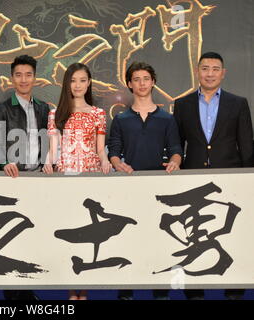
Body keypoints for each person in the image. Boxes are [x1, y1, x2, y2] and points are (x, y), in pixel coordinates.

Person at [174, 52, 253, 300]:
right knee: (194, 236)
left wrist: (247, 179)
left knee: (232, 235)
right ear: (198, 72)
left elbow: (247, 146)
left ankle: (234, 290)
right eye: (205, 68)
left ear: (223, 73)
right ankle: (195, 293)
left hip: (231, 180)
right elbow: (177, 145)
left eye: (215, 69)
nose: (210, 73)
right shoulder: (183, 104)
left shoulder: (238, 103)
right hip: (193, 179)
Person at [108, 61, 183, 300]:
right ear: (130, 84)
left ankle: (160, 292)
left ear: (153, 82)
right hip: (128, 189)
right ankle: (125, 292)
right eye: (136, 79)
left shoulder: (166, 118)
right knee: (128, 239)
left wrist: (176, 161)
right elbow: (114, 151)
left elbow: (175, 149)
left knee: (159, 241)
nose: (141, 83)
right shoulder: (121, 119)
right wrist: (117, 163)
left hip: (159, 190)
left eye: (146, 78)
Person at [43, 62, 112, 300]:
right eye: (73, 80)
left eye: (83, 80)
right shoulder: (56, 113)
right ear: (66, 84)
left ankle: (84, 290)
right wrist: (48, 162)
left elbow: (100, 149)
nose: (78, 85)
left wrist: (105, 161)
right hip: (66, 177)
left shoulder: (98, 114)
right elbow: (53, 149)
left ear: (89, 83)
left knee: (88, 232)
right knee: (71, 232)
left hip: (90, 177)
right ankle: (72, 291)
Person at [0, 55, 50, 300]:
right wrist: (5, 162)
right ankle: (14, 294)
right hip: (13, 180)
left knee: (35, 233)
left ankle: (29, 288)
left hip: (37, 179)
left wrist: (49, 163)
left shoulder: (45, 108)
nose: (23, 80)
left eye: (28, 75)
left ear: (35, 78)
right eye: (18, 75)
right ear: (11, 78)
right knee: (12, 234)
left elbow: (51, 140)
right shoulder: (2, 109)